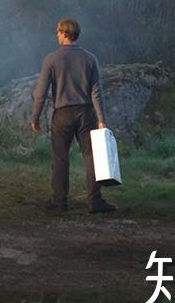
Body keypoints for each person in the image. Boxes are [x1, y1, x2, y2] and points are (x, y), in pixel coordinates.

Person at [28, 17, 116, 214]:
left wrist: (35, 117)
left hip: (63, 115)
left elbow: (41, 93)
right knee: (91, 157)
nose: (57, 35)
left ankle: (59, 202)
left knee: (60, 158)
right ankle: (95, 201)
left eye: (59, 31)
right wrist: (101, 119)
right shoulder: (90, 58)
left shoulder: (51, 59)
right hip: (86, 114)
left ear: (65, 33)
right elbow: (96, 91)